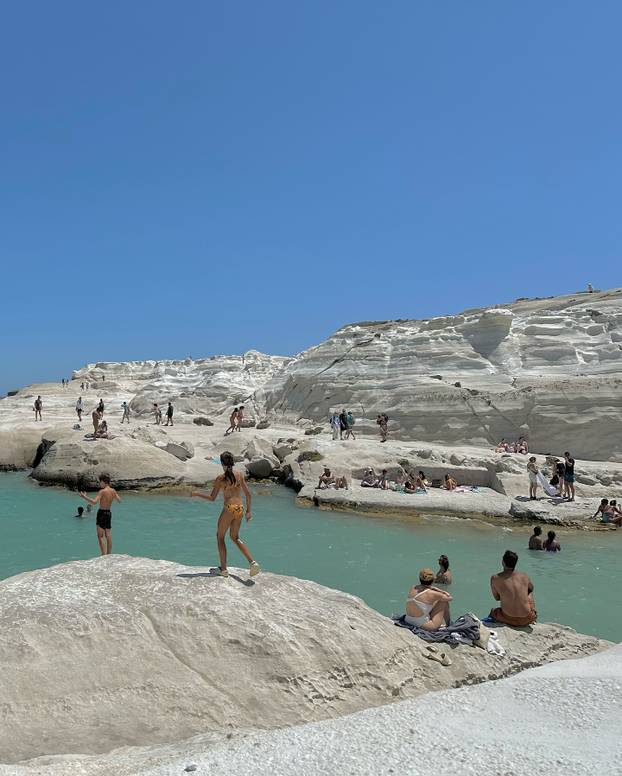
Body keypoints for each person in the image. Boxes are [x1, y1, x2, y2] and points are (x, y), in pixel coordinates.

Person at [190, 451, 260, 578]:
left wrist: (196, 494)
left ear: (222, 463)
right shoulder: (239, 474)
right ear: (232, 462)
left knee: (220, 536)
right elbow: (248, 495)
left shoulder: (221, 478)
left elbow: (212, 498)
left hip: (229, 509)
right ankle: (252, 562)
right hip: (240, 508)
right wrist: (249, 511)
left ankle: (223, 569)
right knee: (235, 537)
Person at [489, 550, 537, 626]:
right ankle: (534, 613)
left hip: (508, 618)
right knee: (529, 591)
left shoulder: (495, 578)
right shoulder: (524, 576)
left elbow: (497, 598)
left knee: (493, 612)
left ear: (503, 562)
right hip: (527, 618)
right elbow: (531, 588)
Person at [79, 472, 121, 555]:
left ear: (104, 482)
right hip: (108, 513)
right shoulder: (113, 491)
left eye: (100, 482)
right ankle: (109, 553)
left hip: (101, 513)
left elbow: (94, 502)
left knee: (100, 535)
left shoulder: (102, 491)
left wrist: (84, 497)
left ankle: (103, 554)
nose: (99, 484)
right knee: (108, 534)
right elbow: (119, 500)